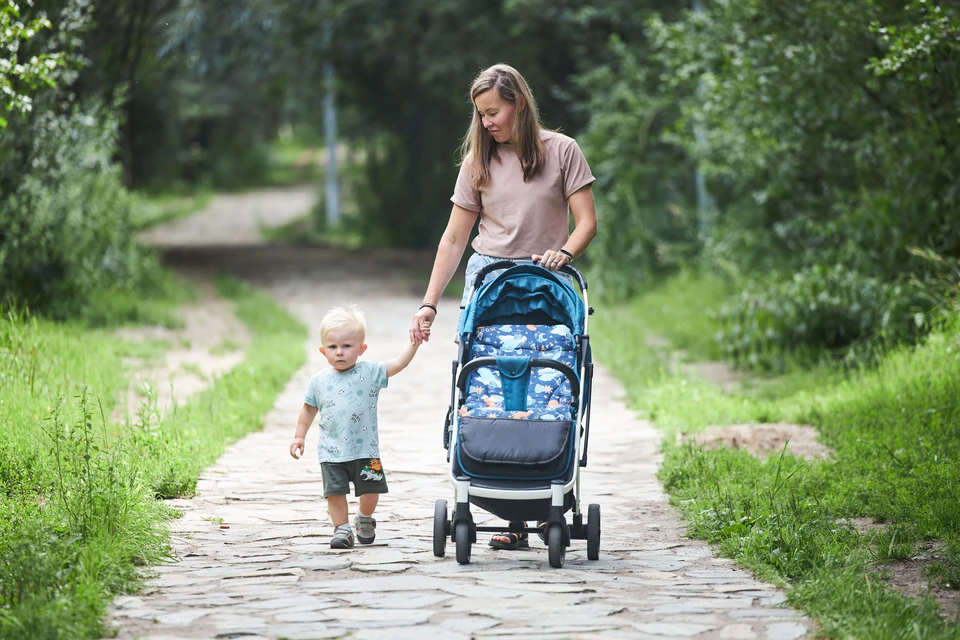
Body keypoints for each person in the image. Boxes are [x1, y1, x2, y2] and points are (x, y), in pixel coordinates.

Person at [408, 63, 598, 550]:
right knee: (490, 379)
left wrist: (566, 254)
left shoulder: (562, 151)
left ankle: (545, 487)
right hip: (490, 281)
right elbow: (454, 239)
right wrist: (429, 304)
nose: (487, 122)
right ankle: (508, 511)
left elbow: (586, 223)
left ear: (519, 104)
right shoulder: (479, 160)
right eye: (481, 114)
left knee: (544, 379)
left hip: (545, 282)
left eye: (494, 112)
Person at [291, 304, 429, 549]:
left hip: (366, 450)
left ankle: (364, 518)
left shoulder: (371, 372)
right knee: (334, 493)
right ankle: (342, 529)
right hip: (331, 452)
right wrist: (299, 436)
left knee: (370, 494)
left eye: (347, 346)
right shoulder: (319, 381)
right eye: (333, 347)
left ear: (361, 348)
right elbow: (308, 409)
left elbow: (399, 364)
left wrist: (414, 344)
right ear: (323, 351)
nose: (340, 352)